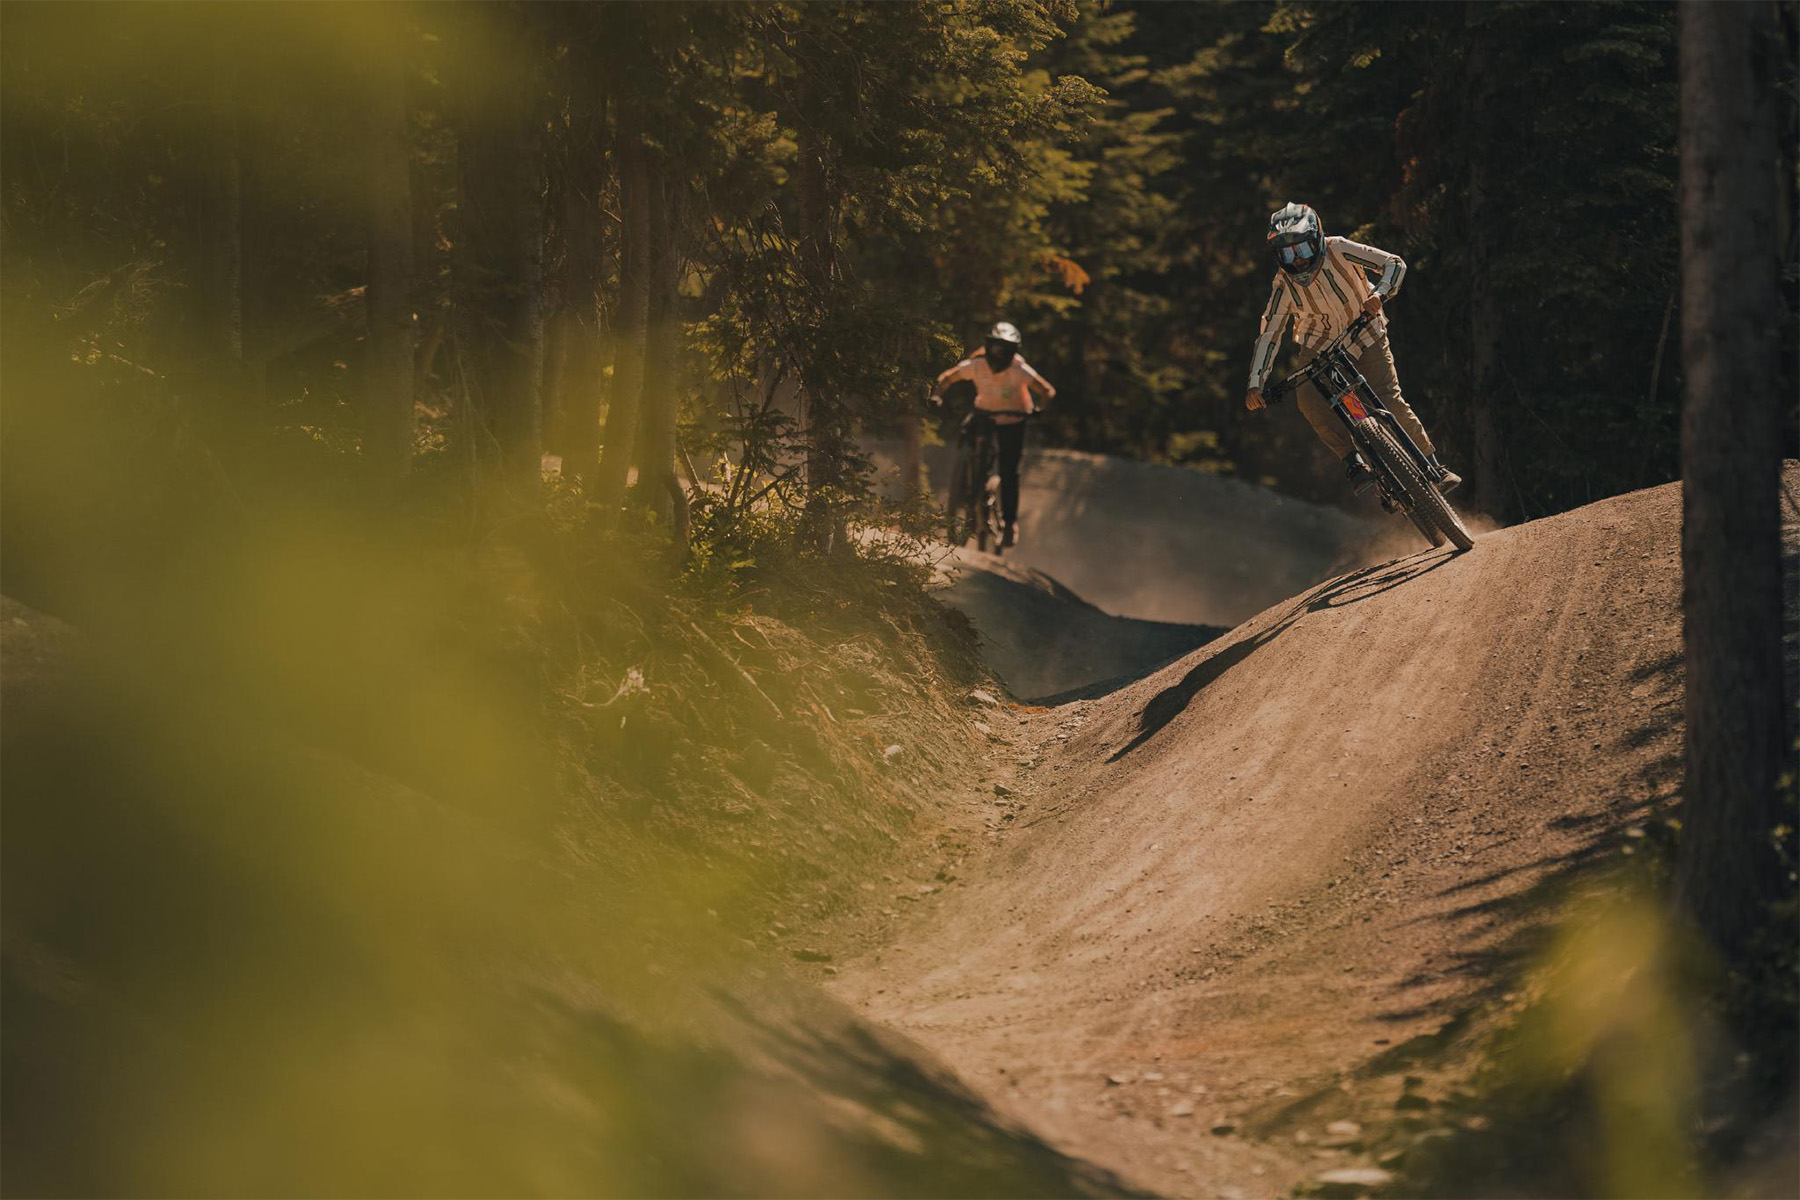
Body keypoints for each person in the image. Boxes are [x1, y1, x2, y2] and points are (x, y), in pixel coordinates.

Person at [1244, 202, 1460, 494]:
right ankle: (1353, 462)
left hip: (1365, 330)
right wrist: (1255, 383)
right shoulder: (1283, 284)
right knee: (1308, 399)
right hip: (1318, 347)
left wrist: (1380, 294)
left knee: (1388, 399)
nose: (1297, 261)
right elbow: (1270, 333)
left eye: (1302, 250)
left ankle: (1433, 466)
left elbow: (1394, 263)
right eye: (1286, 253)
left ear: (1317, 239)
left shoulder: (1339, 249)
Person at [930, 321, 1055, 548]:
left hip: (1013, 420)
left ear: (1013, 352)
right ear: (988, 346)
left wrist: (1040, 408)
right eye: (996, 347)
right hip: (985, 415)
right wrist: (937, 395)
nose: (999, 354)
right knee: (966, 438)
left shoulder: (1019, 370)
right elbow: (947, 378)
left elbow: (1046, 390)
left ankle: (1009, 524)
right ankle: (966, 479)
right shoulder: (976, 365)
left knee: (1009, 472)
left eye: (1005, 349)